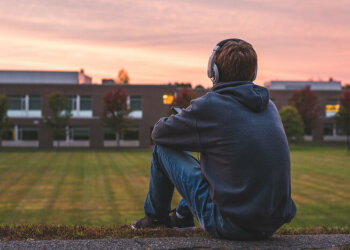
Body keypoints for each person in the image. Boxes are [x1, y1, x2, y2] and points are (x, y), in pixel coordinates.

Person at [132, 38, 296, 240]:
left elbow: (159, 134)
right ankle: (183, 216)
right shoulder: (268, 106)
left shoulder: (210, 106)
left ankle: (155, 221)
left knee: (162, 150)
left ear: (213, 71)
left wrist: (182, 118)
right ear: (253, 73)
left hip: (230, 224)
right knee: (217, 161)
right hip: (270, 224)